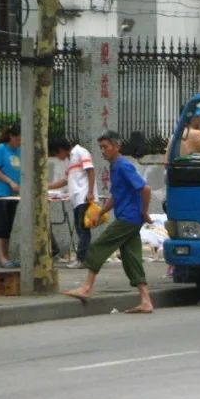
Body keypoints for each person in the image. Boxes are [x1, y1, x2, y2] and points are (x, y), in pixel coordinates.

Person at [62, 132, 155, 313]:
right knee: (131, 258)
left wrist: (144, 212)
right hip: (129, 219)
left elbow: (145, 189)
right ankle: (146, 300)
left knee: (98, 247)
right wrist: (101, 212)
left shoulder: (123, 166)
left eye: (106, 147)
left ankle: (87, 287)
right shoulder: (115, 167)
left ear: (117, 146)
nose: (103, 151)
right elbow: (116, 195)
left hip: (128, 219)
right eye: (101, 148)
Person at [48, 139, 97, 268]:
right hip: (76, 199)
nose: (57, 157)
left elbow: (91, 171)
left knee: (83, 229)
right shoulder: (70, 161)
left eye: (55, 153)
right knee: (80, 229)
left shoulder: (81, 152)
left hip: (84, 197)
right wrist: (47, 186)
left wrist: (90, 192)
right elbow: (65, 180)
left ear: (61, 149)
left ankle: (82, 259)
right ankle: (84, 258)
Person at [0, 122, 22, 267]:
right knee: (2, 225)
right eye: (18, 139)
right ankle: (1, 257)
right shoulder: (1, 149)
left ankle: (7, 256)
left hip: (14, 195)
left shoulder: (20, 150)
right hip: (0, 194)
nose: (19, 142)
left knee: (8, 225)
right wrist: (10, 182)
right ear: (11, 136)